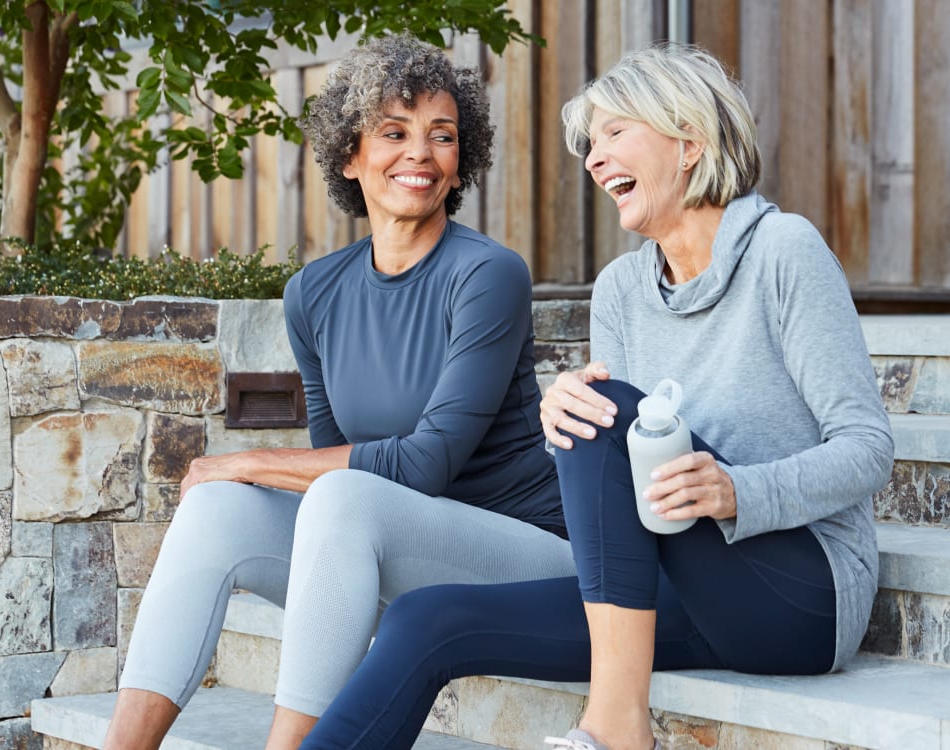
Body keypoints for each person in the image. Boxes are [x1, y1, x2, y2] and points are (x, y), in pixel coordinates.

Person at [296, 44, 894, 750]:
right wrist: (560, 418)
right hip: (677, 586)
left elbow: (868, 450)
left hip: (802, 593)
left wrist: (738, 491)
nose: (594, 157)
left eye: (615, 133)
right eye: (590, 143)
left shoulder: (783, 253)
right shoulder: (619, 289)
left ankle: (615, 729)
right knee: (424, 622)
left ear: (690, 141)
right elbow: (620, 479)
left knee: (603, 416)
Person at [101, 33, 578, 750]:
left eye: (441, 136)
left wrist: (246, 460)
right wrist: (232, 481)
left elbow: (424, 466)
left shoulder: (488, 275)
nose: (419, 152)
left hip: (530, 559)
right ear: (350, 156)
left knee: (306, 490)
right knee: (215, 509)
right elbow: (339, 457)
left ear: (460, 162)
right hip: (398, 556)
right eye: (394, 132)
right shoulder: (314, 293)